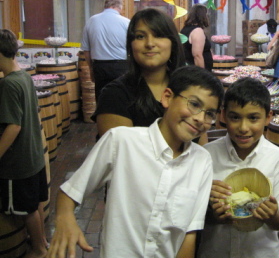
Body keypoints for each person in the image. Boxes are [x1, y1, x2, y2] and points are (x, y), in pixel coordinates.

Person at [47, 65, 224, 258]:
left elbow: (189, 234)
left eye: (210, 114)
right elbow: (71, 191)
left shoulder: (202, 161)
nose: (200, 118)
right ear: (167, 97)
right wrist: (65, 218)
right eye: (194, 104)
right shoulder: (121, 141)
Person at [197, 77, 279, 258]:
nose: (243, 128)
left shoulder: (278, 158)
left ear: (268, 117)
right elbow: (194, 217)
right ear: (223, 115)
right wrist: (214, 214)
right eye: (235, 117)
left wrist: (272, 215)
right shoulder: (206, 155)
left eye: (253, 118)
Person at [92, 7, 186, 138]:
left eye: (158, 35)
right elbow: (122, 153)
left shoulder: (187, 87)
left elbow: (202, 148)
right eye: (140, 36)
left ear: (173, 43)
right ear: (131, 45)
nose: (150, 43)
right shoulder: (115, 95)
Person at [0, 29, 48, 258]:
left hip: (17, 162)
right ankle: (43, 241)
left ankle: (38, 250)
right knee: (36, 202)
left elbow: (14, 126)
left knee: (26, 209)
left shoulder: (8, 84)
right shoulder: (24, 76)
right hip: (34, 156)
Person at [81, 0, 130, 100]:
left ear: (105, 4)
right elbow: (133, 48)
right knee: (122, 98)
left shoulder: (91, 21)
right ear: (120, 6)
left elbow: (86, 50)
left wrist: (91, 69)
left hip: (100, 67)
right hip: (121, 67)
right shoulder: (126, 23)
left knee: (102, 99)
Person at [181, 4, 213, 71]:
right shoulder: (197, 31)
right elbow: (197, 55)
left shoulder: (185, 29)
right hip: (195, 72)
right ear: (203, 16)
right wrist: (202, 75)